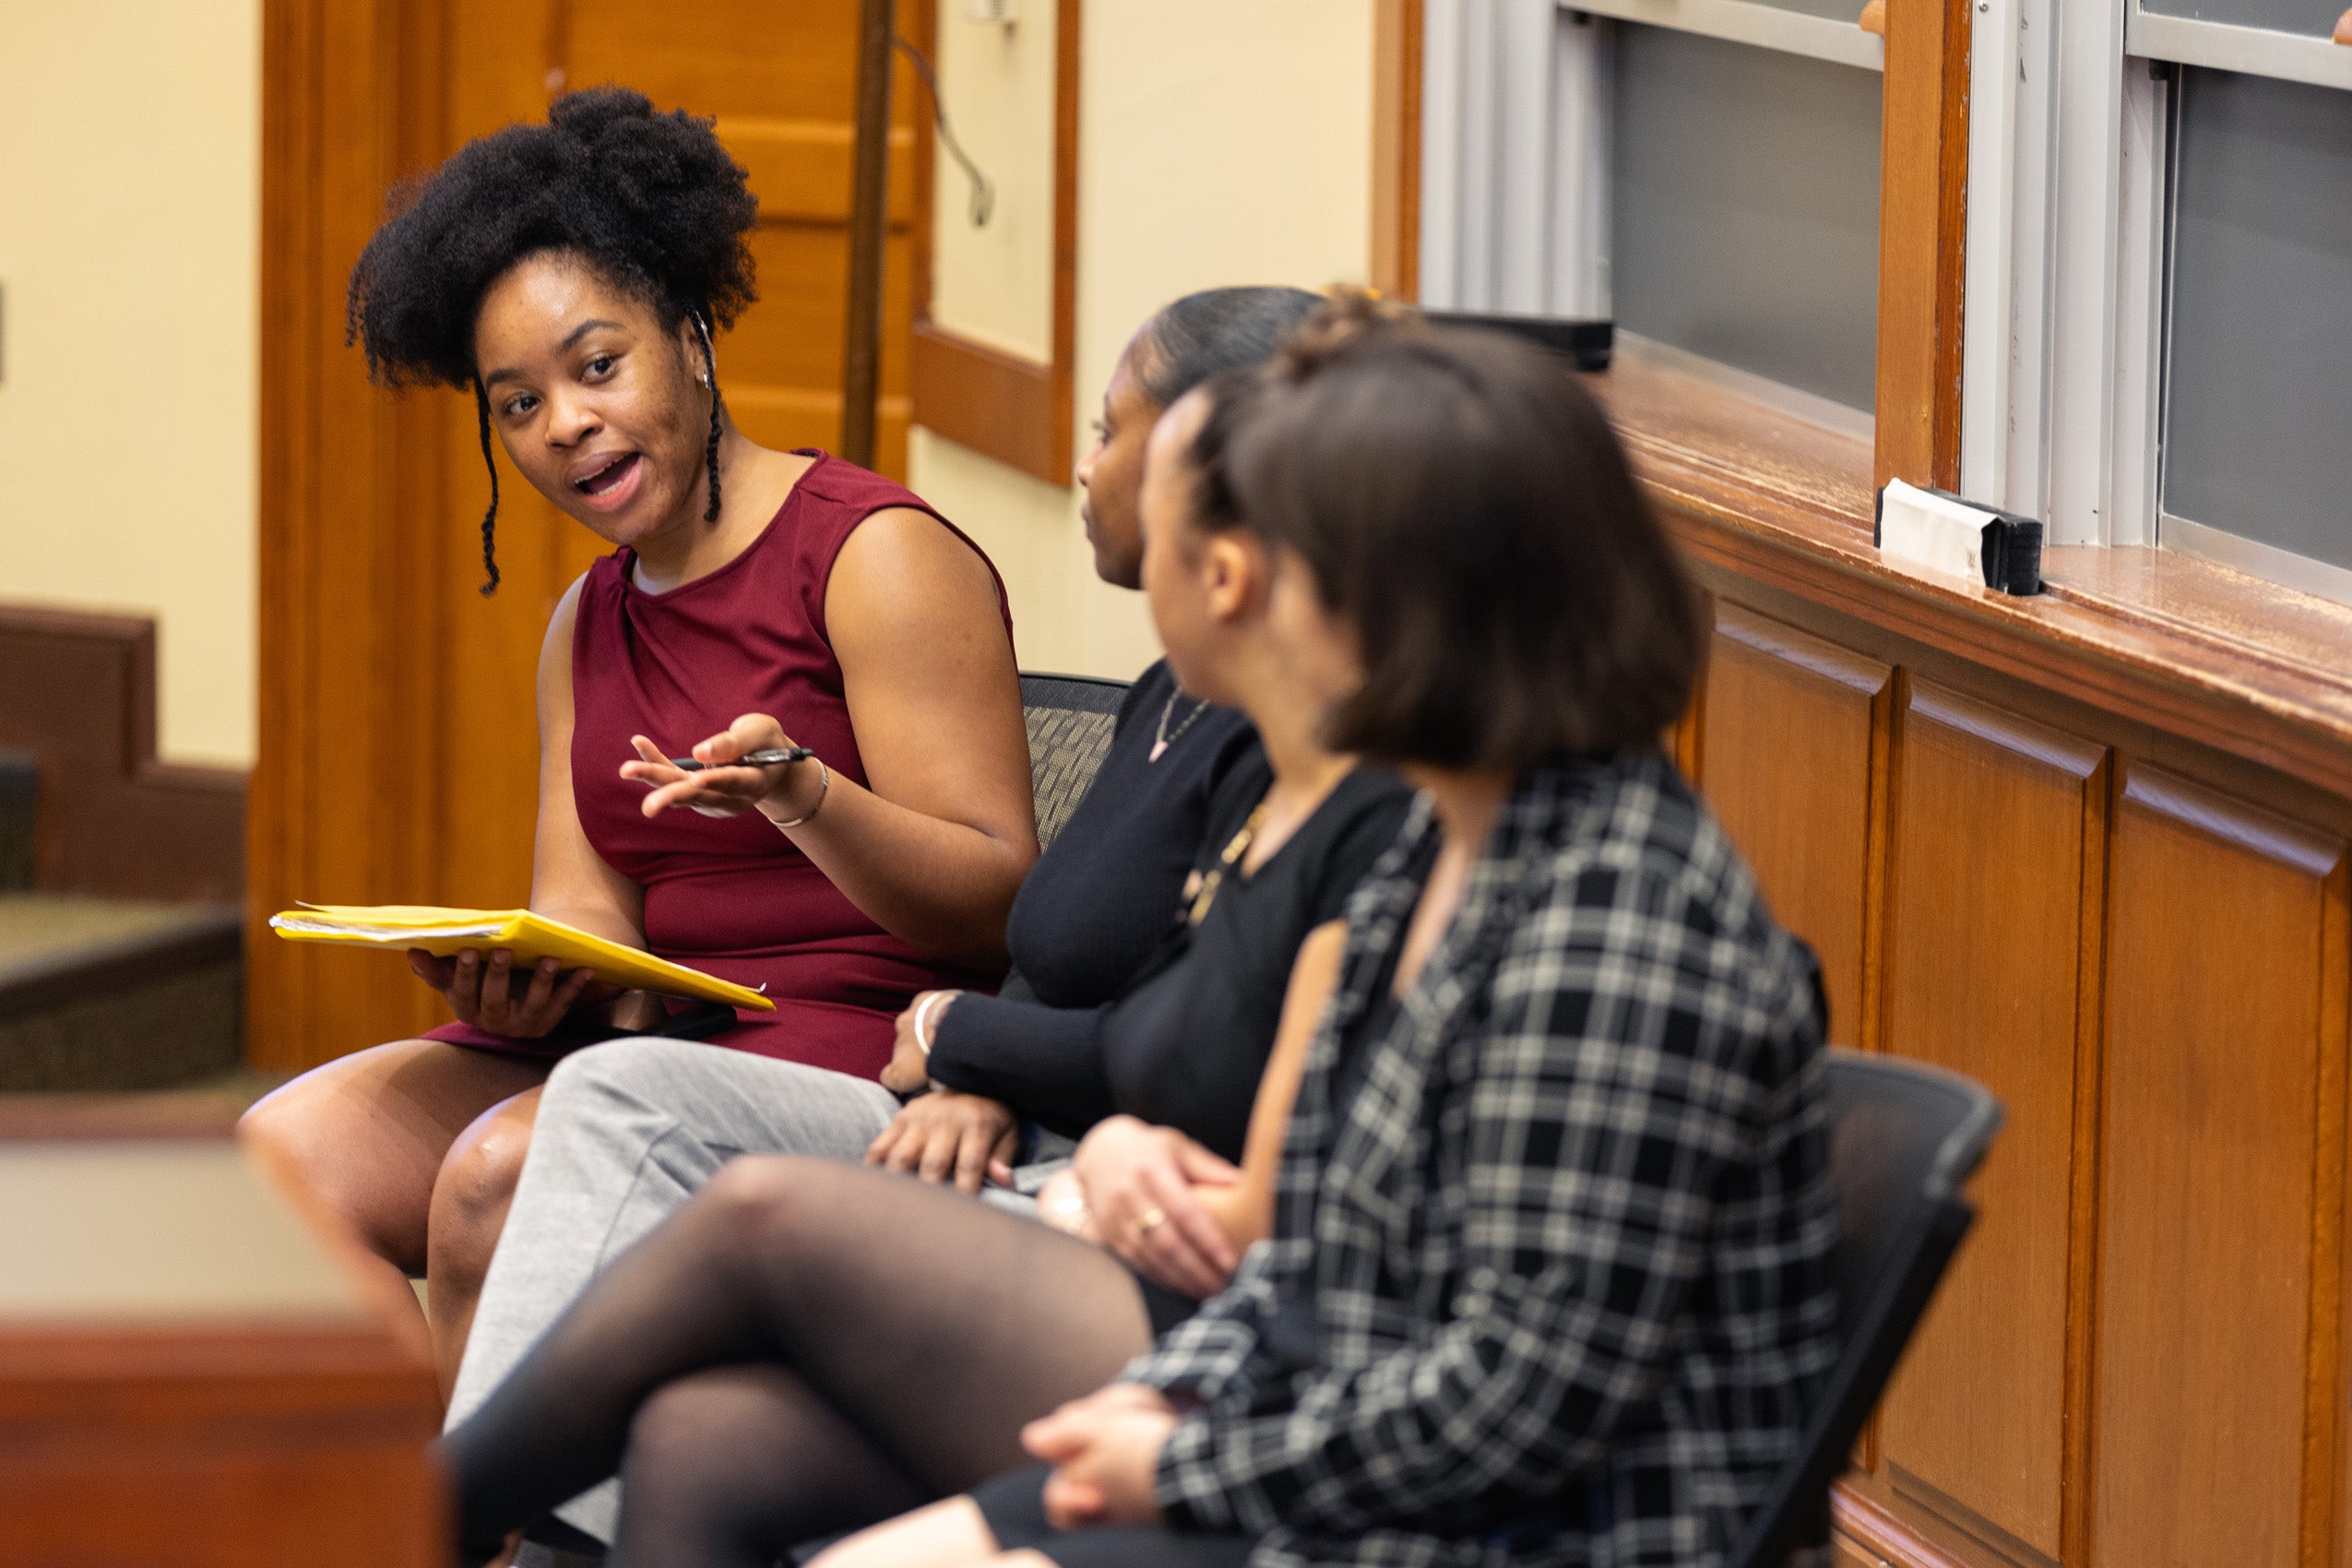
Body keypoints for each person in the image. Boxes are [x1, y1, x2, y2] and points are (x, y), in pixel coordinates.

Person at [808, 300, 1842, 1568]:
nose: (1242, 597)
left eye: (1281, 564)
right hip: (1345, 1475)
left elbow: (1514, 1412)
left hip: (1497, 1537)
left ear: (1408, 606)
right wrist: (1170, 1394)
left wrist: (1180, 1461)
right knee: (772, 1470)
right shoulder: (1440, 843)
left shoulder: (1614, 917)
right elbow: (1313, 1259)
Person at [439, 350, 1415, 1567]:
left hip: (1213, 1299)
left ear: (1232, 544)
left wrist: (967, 1042)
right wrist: (993, 1081)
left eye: (1118, 439)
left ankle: (396, 1532)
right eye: (516, 402)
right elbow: (1108, 980)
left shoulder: (1385, 807)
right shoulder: (1182, 703)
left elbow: (1216, 1087)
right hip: (1080, 1173)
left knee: (740, 1208)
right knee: (697, 1421)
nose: (1083, 465)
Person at [236, 89, 1037, 1384]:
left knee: (499, 1173)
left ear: (690, 331)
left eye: (596, 367)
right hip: (650, 1042)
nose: (562, 426)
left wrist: (804, 797)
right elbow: (591, 916)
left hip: (861, 1050)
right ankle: (425, 1504)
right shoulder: (585, 621)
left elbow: (999, 904)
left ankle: (476, 1520)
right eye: (516, 404)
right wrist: (530, 976)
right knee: (274, 1160)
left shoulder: (872, 555)